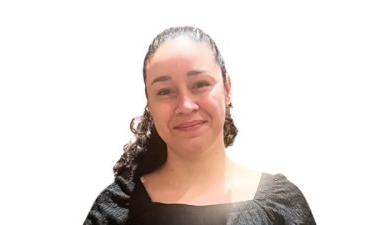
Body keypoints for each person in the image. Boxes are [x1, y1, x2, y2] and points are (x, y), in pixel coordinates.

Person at [83, 26, 316, 225]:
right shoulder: (116, 210)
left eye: (200, 84)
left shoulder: (282, 206)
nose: (185, 105)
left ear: (226, 89)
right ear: (149, 104)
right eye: (165, 91)